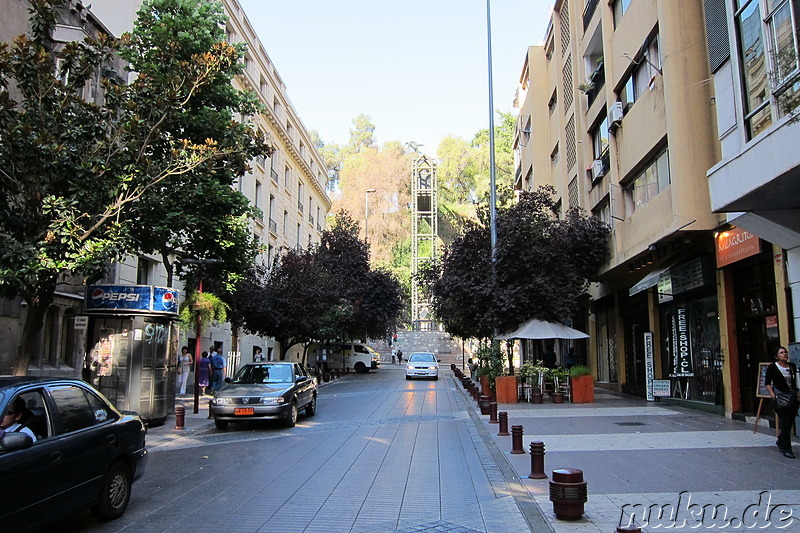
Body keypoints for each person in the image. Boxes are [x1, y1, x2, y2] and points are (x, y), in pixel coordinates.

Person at [765, 346, 799, 459]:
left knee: (789, 423)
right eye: (781, 353)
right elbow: (767, 383)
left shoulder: (792, 366)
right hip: (780, 399)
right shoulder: (772, 367)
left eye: (785, 352)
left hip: (792, 399)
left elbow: (796, 381)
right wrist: (773, 395)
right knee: (785, 422)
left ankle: (780, 440)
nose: (784, 354)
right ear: (776, 356)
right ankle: (787, 448)